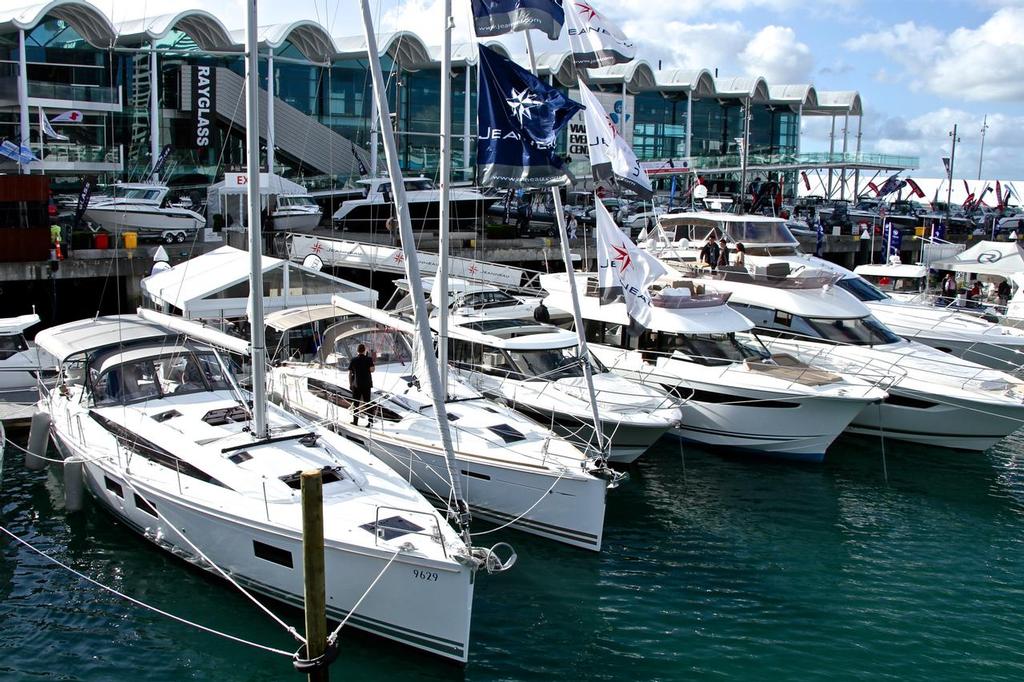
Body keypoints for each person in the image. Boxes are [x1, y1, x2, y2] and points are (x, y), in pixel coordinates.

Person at [348, 343, 375, 426]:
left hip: (356, 385)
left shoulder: (353, 360)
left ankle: (355, 421)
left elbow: (350, 373)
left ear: (357, 351)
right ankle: (370, 422)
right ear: (365, 350)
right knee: (368, 403)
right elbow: (372, 370)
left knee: (356, 404)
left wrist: (350, 384)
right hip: (366, 384)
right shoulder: (369, 359)